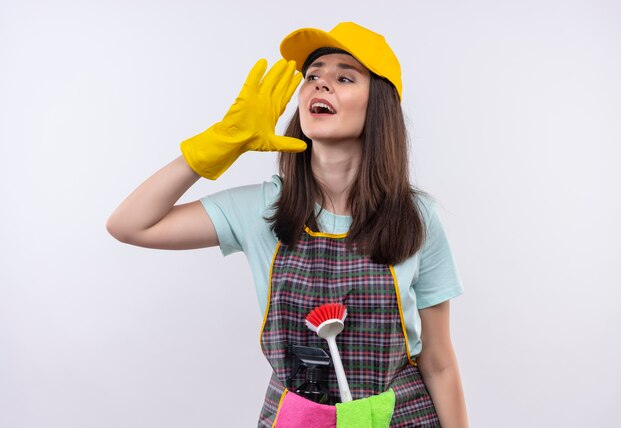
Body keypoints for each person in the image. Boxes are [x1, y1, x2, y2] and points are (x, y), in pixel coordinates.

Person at [107, 22, 468, 428]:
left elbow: (438, 362)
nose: (321, 84)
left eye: (344, 77)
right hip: (301, 418)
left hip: (399, 417)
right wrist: (220, 143)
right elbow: (130, 224)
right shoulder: (263, 208)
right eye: (312, 76)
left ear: (380, 105)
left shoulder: (416, 217)